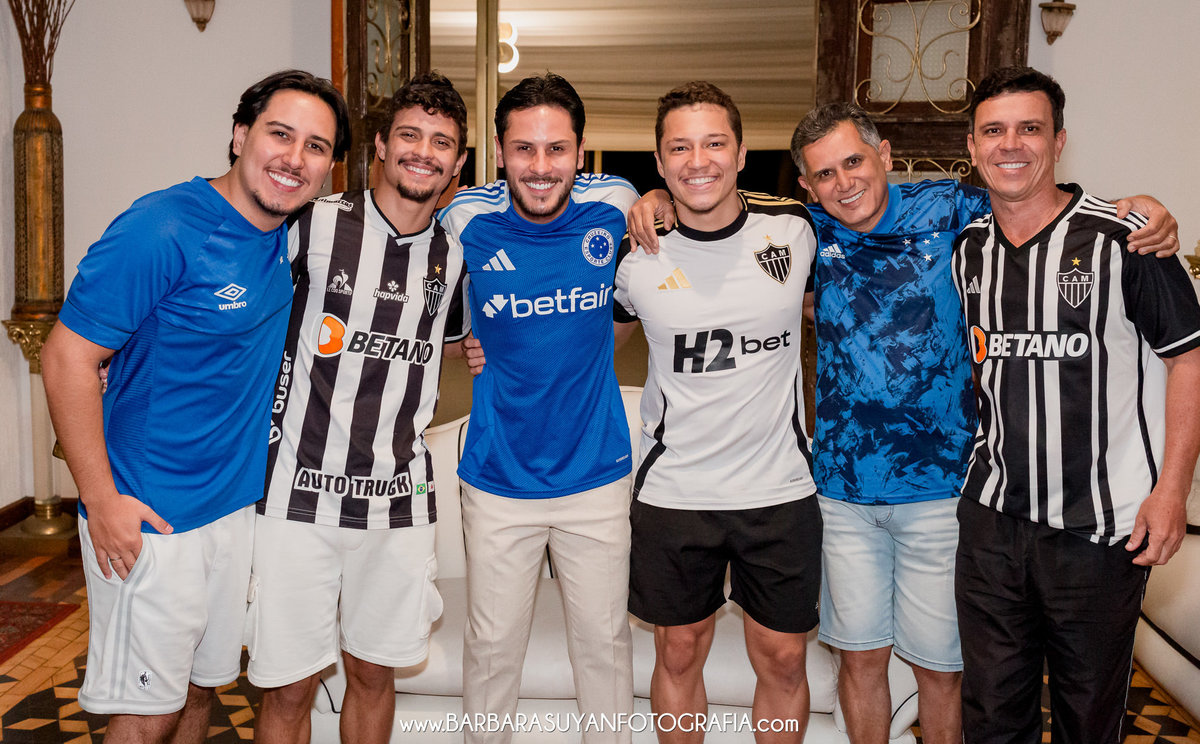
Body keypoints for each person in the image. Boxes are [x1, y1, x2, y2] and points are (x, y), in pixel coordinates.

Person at [628, 102, 1178, 744]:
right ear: (805, 185)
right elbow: (717, 202)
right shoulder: (806, 230)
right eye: (824, 174)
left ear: (884, 155)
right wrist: (655, 199)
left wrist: (1136, 208)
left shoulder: (953, 209)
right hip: (841, 492)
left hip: (943, 490)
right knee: (859, 663)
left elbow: (1032, 198)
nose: (844, 183)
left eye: (854, 162)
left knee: (941, 672)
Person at [40, 70, 350, 744]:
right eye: (280, 134)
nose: (294, 158)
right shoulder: (163, 226)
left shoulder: (287, 236)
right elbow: (66, 359)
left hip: (231, 509)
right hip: (152, 514)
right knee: (147, 713)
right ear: (239, 135)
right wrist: (101, 500)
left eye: (316, 146)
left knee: (199, 693)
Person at [954, 65, 1200, 744]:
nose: (1011, 145)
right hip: (992, 520)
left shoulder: (1127, 238)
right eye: (993, 131)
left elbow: (1188, 359)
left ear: (1059, 141)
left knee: (1087, 721)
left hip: (1098, 530)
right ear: (971, 147)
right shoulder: (968, 251)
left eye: (1029, 129)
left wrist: (1172, 491)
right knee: (991, 717)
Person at [248, 73, 471, 744]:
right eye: (410, 135)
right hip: (296, 497)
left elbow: (454, 344)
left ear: (458, 162)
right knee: (289, 686)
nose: (423, 152)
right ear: (379, 145)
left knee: (374, 675)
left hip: (396, 504)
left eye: (441, 142)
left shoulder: (455, 255)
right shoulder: (312, 224)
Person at [613, 82, 820, 744]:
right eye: (679, 148)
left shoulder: (795, 228)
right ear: (659, 160)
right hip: (676, 491)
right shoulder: (635, 254)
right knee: (678, 652)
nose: (697, 161)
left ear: (741, 153)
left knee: (783, 659)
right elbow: (592, 349)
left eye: (714, 144)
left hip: (779, 487)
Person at [437, 73, 638, 744]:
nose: (541, 166)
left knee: (605, 648)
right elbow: (417, 295)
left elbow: (627, 310)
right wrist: (465, 337)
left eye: (557, 148)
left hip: (597, 475)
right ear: (499, 151)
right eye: (524, 148)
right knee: (492, 652)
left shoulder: (617, 204)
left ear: (581, 151)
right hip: (498, 478)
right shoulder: (464, 219)